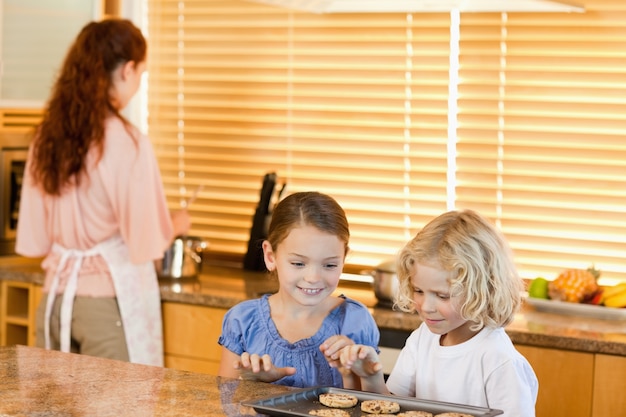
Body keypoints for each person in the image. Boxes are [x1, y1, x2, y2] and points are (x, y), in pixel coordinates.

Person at [15, 18, 191, 366]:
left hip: (54, 297)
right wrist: (176, 224)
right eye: (141, 74)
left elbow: (34, 240)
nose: (139, 83)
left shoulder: (46, 138)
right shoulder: (128, 143)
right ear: (127, 70)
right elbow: (146, 241)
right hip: (107, 305)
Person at [335, 209, 538, 416]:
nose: (425, 306)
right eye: (418, 291)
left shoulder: (499, 361)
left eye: (442, 296)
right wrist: (371, 377)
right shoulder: (422, 339)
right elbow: (391, 408)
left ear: (482, 290)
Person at [218, 191, 380, 388]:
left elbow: (368, 407)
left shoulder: (355, 321)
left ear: (343, 258)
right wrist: (253, 385)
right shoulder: (242, 322)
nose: (313, 278)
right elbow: (224, 402)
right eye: (298, 263)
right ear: (270, 256)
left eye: (329, 265)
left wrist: (350, 371)